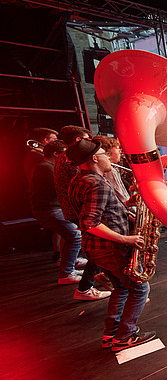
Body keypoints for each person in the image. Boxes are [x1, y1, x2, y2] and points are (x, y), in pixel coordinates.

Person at [67, 138, 156, 351]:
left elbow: (96, 213)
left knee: (121, 287)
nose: (109, 158)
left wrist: (125, 206)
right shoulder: (97, 183)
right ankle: (125, 336)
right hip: (111, 248)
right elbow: (90, 223)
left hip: (97, 249)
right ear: (95, 158)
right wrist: (127, 239)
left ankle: (111, 334)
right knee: (139, 288)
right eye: (104, 154)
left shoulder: (79, 180)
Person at [54, 126, 112, 301]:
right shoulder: (75, 163)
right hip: (78, 209)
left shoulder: (64, 158)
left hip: (74, 208)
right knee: (100, 249)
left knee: (99, 249)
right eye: (87, 139)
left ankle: (104, 277)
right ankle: (85, 287)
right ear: (79, 140)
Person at [29, 140, 84, 284]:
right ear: (56, 154)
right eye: (65, 154)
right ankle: (66, 273)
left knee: (71, 234)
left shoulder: (46, 166)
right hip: (49, 210)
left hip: (52, 209)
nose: (67, 159)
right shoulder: (45, 167)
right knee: (75, 236)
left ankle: (68, 263)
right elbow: (59, 189)